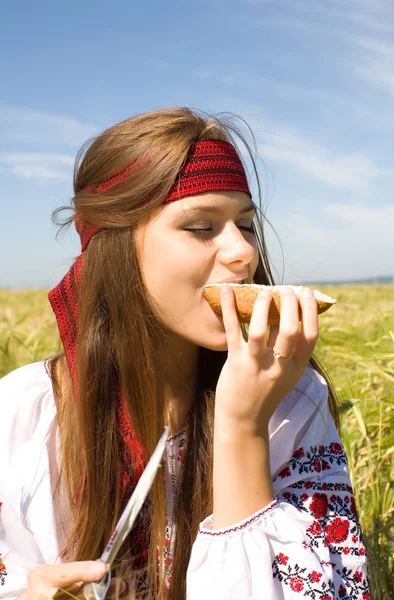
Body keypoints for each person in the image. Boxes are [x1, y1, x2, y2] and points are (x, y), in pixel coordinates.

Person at [0, 107, 369, 600]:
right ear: (115, 246)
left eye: (246, 224)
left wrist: (243, 428)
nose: (243, 253)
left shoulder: (291, 400)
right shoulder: (22, 414)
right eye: (200, 226)